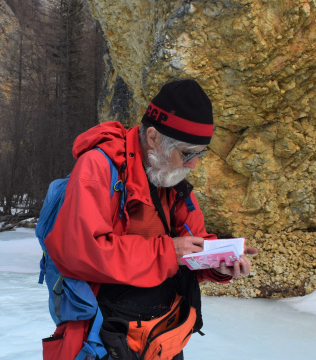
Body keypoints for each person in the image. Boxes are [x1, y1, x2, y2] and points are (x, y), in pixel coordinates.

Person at [44, 79, 258, 360]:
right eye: (187, 153)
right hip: (105, 338)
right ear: (154, 137)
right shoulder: (97, 168)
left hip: (163, 336)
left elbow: (193, 243)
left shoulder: (168, 175)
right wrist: (170, 251)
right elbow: (81, 252)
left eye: (200, 153)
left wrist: (220, 263)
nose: (193, 164)